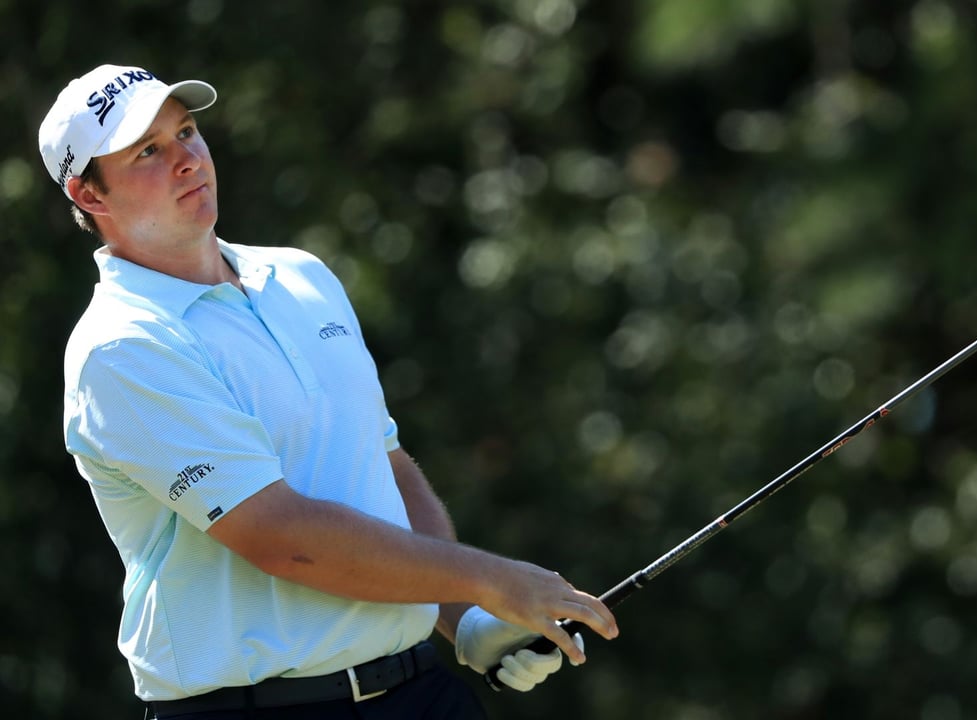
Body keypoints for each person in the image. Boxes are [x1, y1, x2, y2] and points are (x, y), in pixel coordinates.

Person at [41, 63, 618, 719]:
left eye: (187, 132)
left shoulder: (300, 276)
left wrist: (464, 617)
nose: (187, 160)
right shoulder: (123, 347)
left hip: (418, 694)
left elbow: (385, 465)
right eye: (147, 151)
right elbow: (281, 537)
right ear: (89, 195)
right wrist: (490, 581)